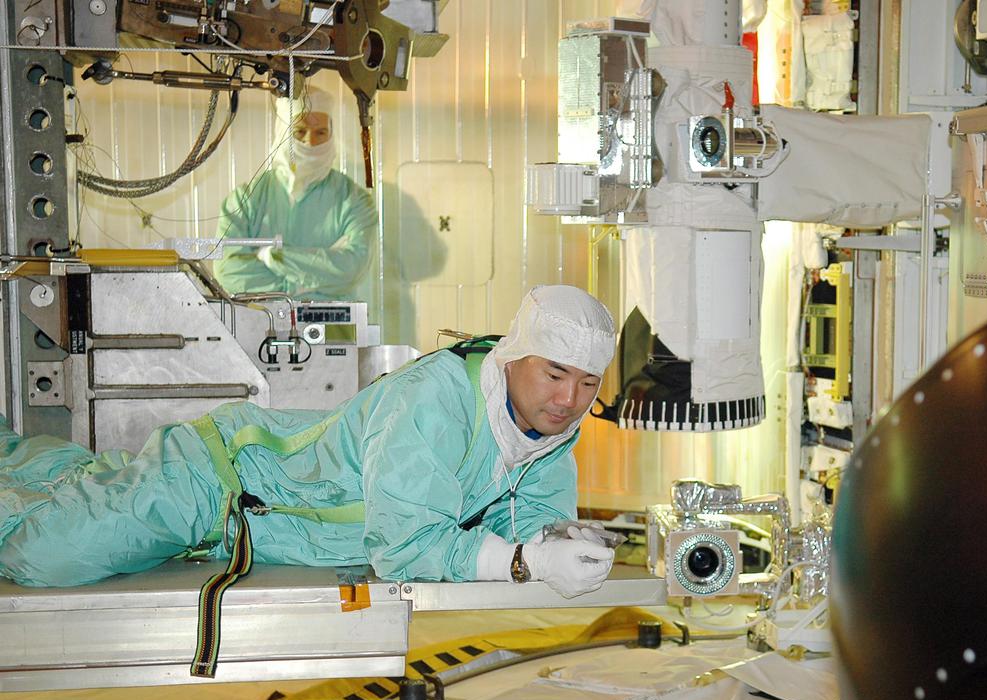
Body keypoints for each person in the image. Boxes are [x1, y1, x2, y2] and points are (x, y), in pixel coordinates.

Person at [0, 285, 618, 602]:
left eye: (587, 384)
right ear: (513, 358)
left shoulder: (543, 432)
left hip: (256, 527)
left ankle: (69, 475)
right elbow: (404, 550)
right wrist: (522, 563)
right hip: (218, 483)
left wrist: (556, 539)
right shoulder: (435, 402)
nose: (568, 401)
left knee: (94, 494)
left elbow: (531, 513)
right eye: (555, 375)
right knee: (45, 555)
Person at [214, 89, 377, 301]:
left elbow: (352, 269)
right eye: (299, 131)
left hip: (332, 331)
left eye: (320, 132)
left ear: (331, 134)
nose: (310, 142)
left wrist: (273, 256)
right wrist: (300, 284)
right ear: (283, 132)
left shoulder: (355, 200)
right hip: (260, 327)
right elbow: (227, 271)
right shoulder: (244, 200)